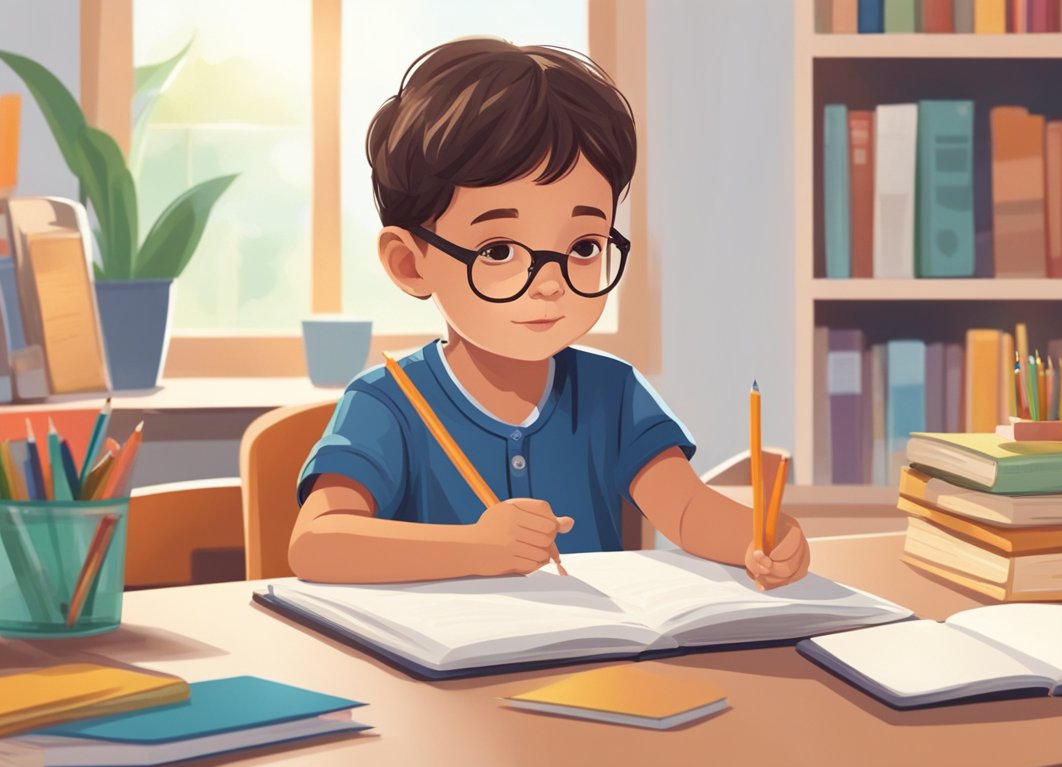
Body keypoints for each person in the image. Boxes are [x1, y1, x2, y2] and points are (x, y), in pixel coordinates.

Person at [288, 38, 809, 590]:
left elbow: (684, 509)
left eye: (584, 247)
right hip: (439, 667)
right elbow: (317, 544)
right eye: (498, 252)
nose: (551, 284)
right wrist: (474, 548)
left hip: (594, 660)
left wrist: (759, 537)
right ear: (409, 264)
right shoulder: (387, 403)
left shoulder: (612, 392)